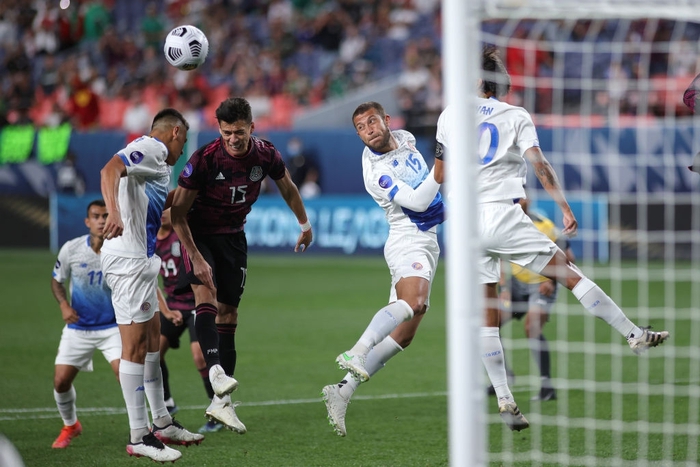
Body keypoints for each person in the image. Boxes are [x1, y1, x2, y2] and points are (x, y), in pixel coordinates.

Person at [435, 46, 670, 432]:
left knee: (486, 315)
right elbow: (539, 164)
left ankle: (506, 400)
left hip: (463, 223)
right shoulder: (516, 115)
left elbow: (440, 175)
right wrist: (564, 208)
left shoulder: (449, 116)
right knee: (570, 273)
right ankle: (633, 334)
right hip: (501, 214)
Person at [169, 97, 313, 433]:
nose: (234, 138)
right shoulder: (204, 160)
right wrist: (196, 256)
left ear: (252, 126)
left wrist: (304, 225)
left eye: (240, 131)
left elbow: (288, 188)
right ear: (219, 129)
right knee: (206, 297)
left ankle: (222, 404)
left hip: (234, 238)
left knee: (229, 314)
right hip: (199, 234)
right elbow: (178, 214)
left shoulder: (265, 154)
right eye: (227, 132)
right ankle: (216, 372)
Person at [322, 101, 445, 437]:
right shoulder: (377, 173)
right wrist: (443, 165)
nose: (368, 130)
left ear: (386, 121)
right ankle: (357, 351)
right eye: (361, 127)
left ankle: (342, 391)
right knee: (414, 302)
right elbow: (419, 202)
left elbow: (426, 185)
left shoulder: (405, 138)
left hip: (427, 239)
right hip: (408, 239)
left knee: (405, 333)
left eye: (372, 122)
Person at [100, 108, 203, 463]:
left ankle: (161, 422)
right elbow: (110, 169)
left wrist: (194, 191)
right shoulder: (153, 148)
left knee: (151, 344)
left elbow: (159, 200)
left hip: (141, 260)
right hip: (126, 260)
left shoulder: (157, 166)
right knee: (134, 347)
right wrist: (112, 211)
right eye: (184, 140)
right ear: (174, 132)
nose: (183, 147)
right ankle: (138, 435)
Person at [489, 197, 576, 402]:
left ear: (527, 201)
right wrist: (503, 287)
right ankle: (504, 379)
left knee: (532, 328)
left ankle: (547, 386)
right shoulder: (504, 223)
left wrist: (552, 281)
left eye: (519, 199)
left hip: (542, 285)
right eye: (513, 200)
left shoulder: (544, 225)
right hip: (517, 285)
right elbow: (498, 257)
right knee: (488, 325)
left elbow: (568, 257)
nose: (517, 204)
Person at [50, 199, 118, 449]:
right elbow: (57, 280)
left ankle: (141, 432)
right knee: (61, 382)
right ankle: (71, 425)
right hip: (78, 328)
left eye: (105, 215)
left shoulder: (120, 248)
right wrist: (63, 305)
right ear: (87, 221)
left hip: (113, 328)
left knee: (127, 377)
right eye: (96, 216)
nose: (101, 220)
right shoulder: (72, 248)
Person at [155, 208, 223, 434]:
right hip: (172, 305)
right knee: (153, 353)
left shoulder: (183, 234)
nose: (164, 213)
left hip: (196, 303)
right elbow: (148, 280)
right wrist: (165, 310)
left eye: (168, 208)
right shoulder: (150, 239)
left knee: (200, 358)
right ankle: (167, 401)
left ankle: (219, 410)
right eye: (161, 209)